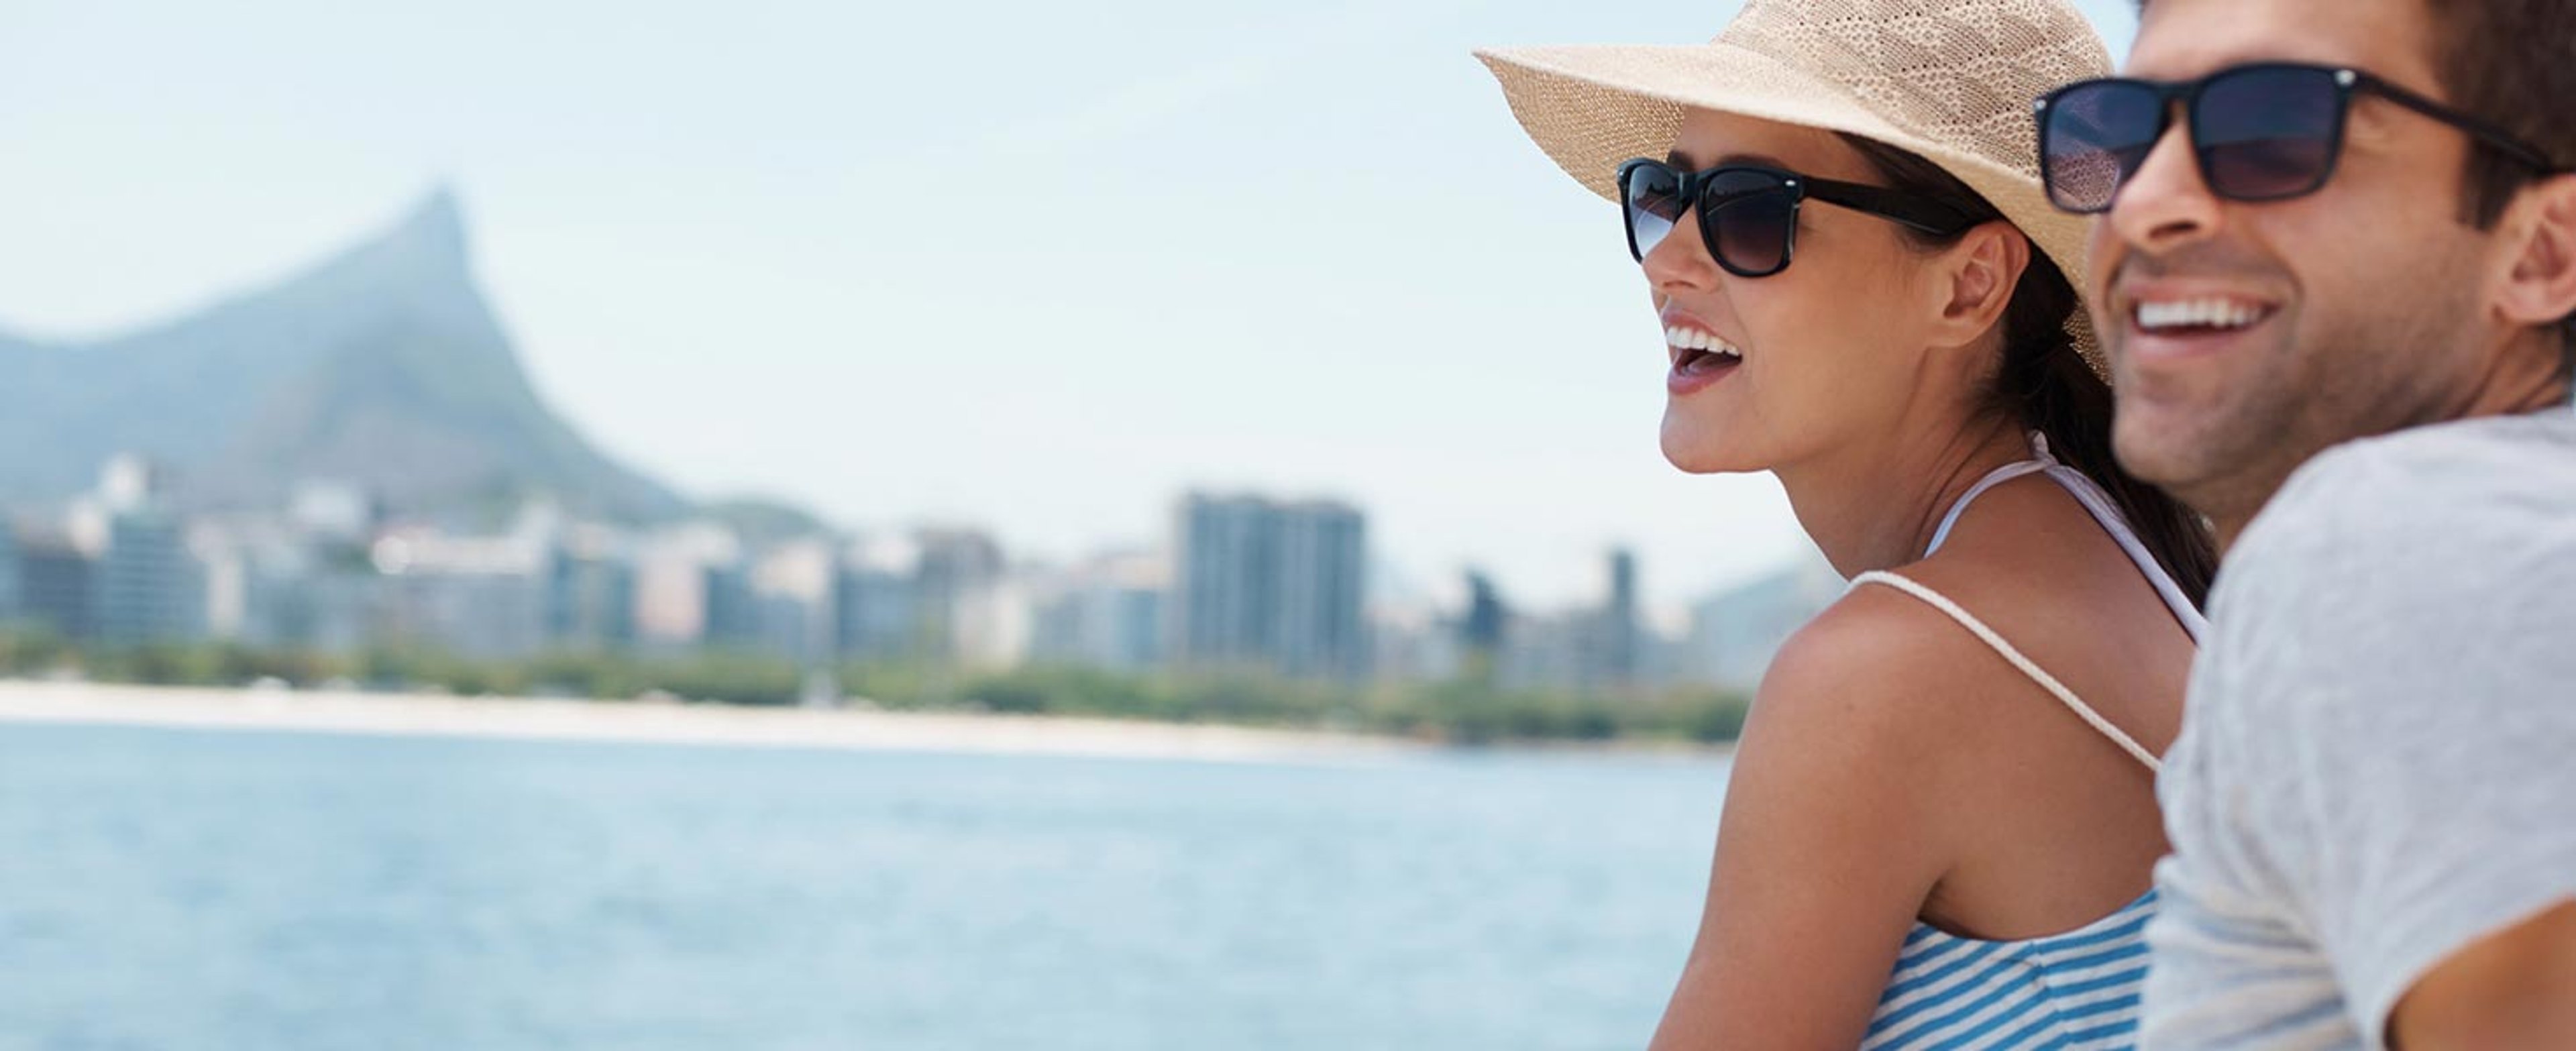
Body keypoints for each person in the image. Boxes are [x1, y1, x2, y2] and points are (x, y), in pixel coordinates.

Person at [1479, 1, 2214, 1045]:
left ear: (1969, 288)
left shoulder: (1892, 669)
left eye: (1748, 211)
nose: (1668, 259)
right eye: (1664, 196)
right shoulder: (2138, 571)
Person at [2033, 0, 2576, 1046]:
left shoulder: (2401, 537)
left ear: (2543, 250)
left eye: (2274, 127)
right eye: (2122, 134)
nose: (2147, 206)